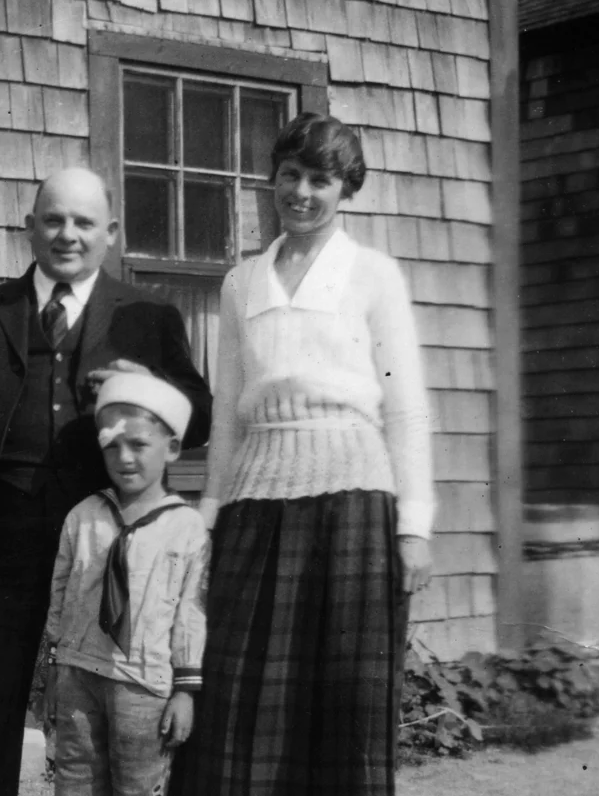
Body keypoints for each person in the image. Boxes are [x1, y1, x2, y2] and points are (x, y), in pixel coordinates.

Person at [0, 167, 213, 796]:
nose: (67, 234)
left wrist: (146, 385)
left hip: (104, 553)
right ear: (30, 228)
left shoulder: (147, 317)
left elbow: (200, 418)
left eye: (84, 222)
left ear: (111, 234)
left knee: (102, 727)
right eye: (54, 219)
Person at [183, 112, 435, 795]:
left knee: (346, 695)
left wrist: (414, 526)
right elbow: (231, 413)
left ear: (345, 188)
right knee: (239, 684)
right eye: (290, 176)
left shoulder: (373, 275)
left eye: (319, 180)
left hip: (354, 502)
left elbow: (406, 406)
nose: (301, 192)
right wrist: (210, 512)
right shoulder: (242, 284)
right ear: (272, 179)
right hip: (255, 503)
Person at [44, 373, 207, 796]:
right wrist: (53, 672)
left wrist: (185, 693)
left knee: (138, 785)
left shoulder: (187, 528)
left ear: (171, 448)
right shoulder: (84, 516)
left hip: (145, 683)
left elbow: (192, 614)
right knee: (75, 780)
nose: (124, 457)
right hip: (79, 675)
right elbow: (60, 595)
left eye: (138, 444)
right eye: (112, 445)